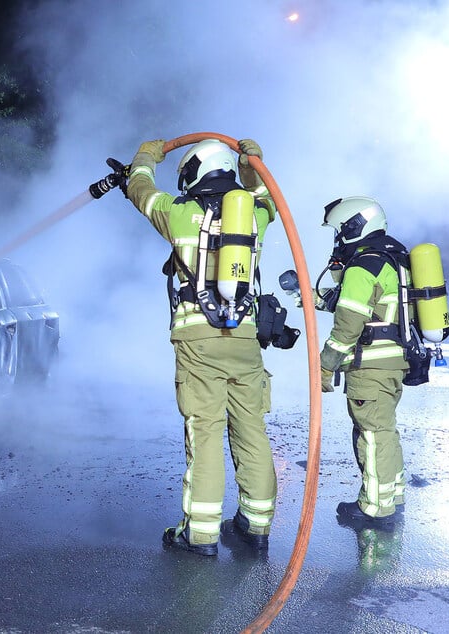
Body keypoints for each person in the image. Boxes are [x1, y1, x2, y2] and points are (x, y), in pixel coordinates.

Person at [123, 138, 278, 556]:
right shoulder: (253, 219)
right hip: (245, 338)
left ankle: (201, 534)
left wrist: (145, 158)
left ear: (194, 170)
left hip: (198, 340)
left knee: (205, 431)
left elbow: (141, 191)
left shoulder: (180, 213)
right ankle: (256, 525)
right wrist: (253, 166)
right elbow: (268, 200)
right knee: (251, 429)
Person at [316, 196, 408, 530]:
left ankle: (375, 509)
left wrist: (326, 364)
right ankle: (391, 496)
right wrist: (314, 298)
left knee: (370, 433)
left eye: (340, 231)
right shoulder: (393, 258)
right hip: (394, 363)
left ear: (354, 227)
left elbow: (348, 325)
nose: (338, 239)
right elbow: (373, 307)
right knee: (384, 431)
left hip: (369, 366)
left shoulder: (363, 264)